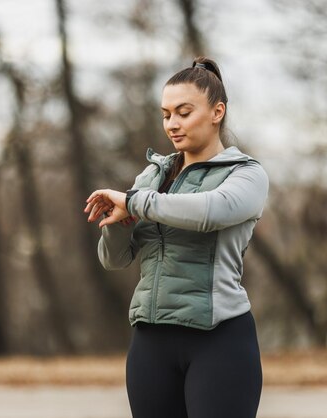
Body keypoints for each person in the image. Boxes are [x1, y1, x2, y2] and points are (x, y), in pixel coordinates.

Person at [83, 56, 269, 418]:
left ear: (217, 112)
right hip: (150, 343)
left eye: (184, 112)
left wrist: (136, 202)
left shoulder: (245, 175)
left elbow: (209, 213)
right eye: (166, 114)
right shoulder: (153, 176)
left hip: (218, 339)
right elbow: (114, 259)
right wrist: (117, 224)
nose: (172, 124)